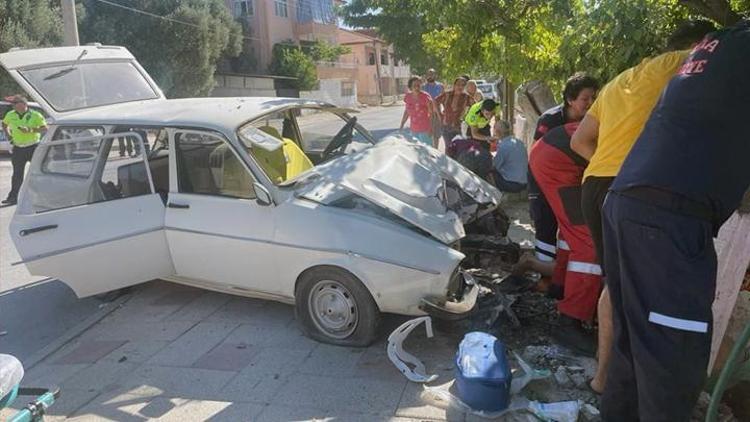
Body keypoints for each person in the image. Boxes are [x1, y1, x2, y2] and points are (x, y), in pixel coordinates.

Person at [598, 21, 749, 421]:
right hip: (667, 219)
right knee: (673, 359)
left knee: (635, 352)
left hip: (630, 203)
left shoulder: (725, 40)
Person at [570, 19, 717, 394]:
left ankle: (604, 377)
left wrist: (612, 172)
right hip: (635, 188)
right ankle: (638, 384)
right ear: (699, 45)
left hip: (598, 184)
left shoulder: (620, 80)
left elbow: (581, 142)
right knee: (640, 288)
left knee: (615, 285)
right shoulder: (687, 62)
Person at [529, 122, 600, 356]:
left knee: (572, 232)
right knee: (589, 244)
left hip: (550, 153)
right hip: (560, 161)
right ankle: (570, 320)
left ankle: (560, 286)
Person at [527, 73, 599, 274]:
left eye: (594, 98)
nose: (591, 103)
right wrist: (537, 193)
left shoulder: (592, 120)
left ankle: (558, 274)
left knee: (571, 230)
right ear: (570, 100)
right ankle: (543, 277)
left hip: (573, 181)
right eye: (585, 99)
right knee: (545, 225)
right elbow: (536, 156)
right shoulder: (550, 120)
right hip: (543, 180)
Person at [2, 95, 47, 205]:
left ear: (23, 104)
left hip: (33, 147)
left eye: (15, 103)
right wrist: (9, 137)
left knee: (38, 172)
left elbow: (44, 128)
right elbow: (4, 124)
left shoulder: (35, 115)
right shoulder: (10, 114)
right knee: (17, 174)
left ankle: (43, 197)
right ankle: (13, 198)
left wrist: (31, 130)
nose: (13, 106)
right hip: (18, 148)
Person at [492, 120, 527, 193]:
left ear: (497, 132)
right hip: (524, 182)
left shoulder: (503, 146)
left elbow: (495, 166)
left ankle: (495, 197)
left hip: (512, 184)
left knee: (488, 172)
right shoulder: (519, 142)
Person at [435, 77, 474, 144]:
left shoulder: (466, 97)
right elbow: (435, 102)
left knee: (457, 147)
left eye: (463, 85)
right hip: (446, 125)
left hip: (458, 126)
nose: (460, 87)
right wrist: (439, 115)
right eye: (458, 84)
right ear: (454, 85)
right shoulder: (447, 94)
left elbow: (475, 107)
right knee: (448, 147)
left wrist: (468, 118)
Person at [399, 76, 435, 146]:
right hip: (414, 130)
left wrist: (431, 128)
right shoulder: (408, 97)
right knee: (416, 153)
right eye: (414, 85)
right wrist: (402, 125)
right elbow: (407, 112)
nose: (417, 87)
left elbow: (431, 114)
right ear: (410, 87)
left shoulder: (426, 97)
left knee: (427, 152)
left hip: (425, 130)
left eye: (418, 85)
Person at [423, 69, 445, 146]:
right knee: (428, 134)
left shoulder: (440, 86)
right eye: (429, 74)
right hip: (426, 114)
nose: (430, 76)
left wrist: (444, 111)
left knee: (436, 134)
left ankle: (435, 151)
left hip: (437, 113)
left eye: (432, 74)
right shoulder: (423, 87)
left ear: (435, 75)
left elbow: (444, 100)